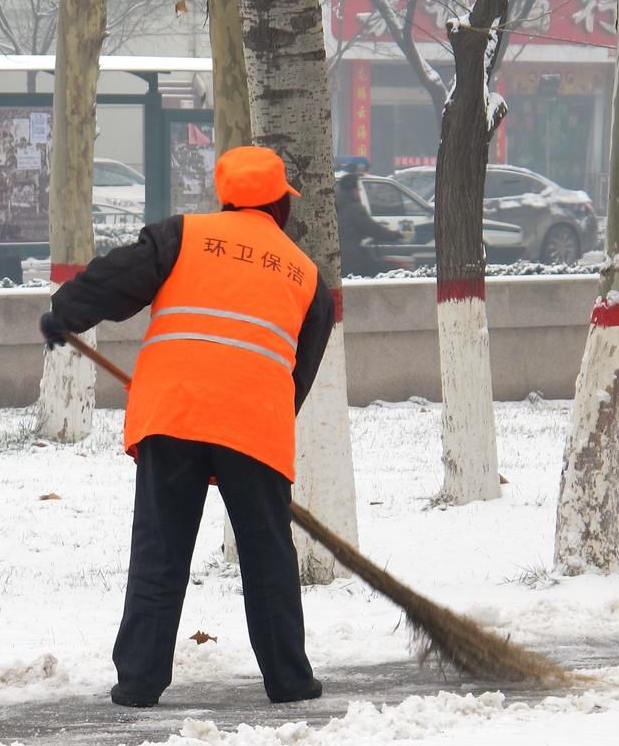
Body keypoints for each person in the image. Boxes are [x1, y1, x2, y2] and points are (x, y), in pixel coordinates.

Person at [38, 145, 333, 708]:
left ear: (225, 197)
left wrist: (65, 313)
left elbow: (116, 279)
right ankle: (290, 681)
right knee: (268, 556)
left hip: (172, 417)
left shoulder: (182, 236)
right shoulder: (306, 277)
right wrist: (249, 446)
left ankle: (139, 681)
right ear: (281, 206)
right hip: (254, 429)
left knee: (161, 549)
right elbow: (299, 373)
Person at [336, 173, 401, 276]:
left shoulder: (336, 205)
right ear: (352, 190)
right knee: (382, 271)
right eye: (358, 188)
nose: (359, 191)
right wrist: (395, 235)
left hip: (336, 256)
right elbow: (373, 229)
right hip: (351, 257)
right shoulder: (353, 208)